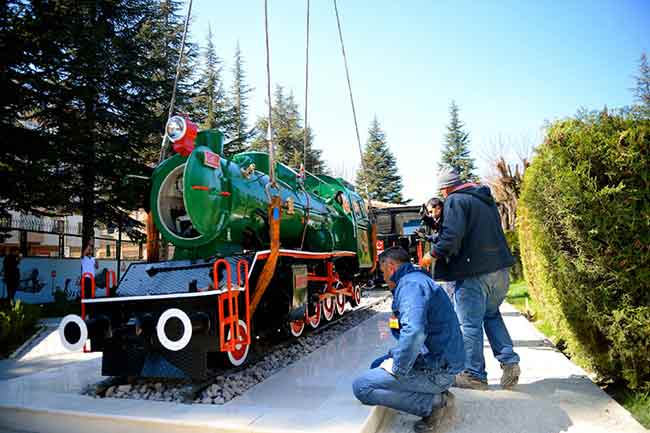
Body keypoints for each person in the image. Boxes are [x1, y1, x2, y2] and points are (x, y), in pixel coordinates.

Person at [352, 247, 464, 433]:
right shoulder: (417, 280)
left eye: (383, 272)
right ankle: (431, 392)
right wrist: (393, 357)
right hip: (439, 360)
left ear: (391, 267)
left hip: (437, 368)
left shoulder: (410, 286)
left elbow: (414, 332)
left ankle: (434, 403)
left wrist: (398, 368)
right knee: (376, 365)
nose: (384, 278)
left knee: (362, 386)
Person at [428, 167, 520, 390]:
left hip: (474, 273)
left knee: (469, 324)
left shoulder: (455, 200)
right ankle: (509, 361)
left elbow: (452, 237)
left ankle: (474, 375)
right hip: (500, 270)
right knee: (491, 315)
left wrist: (431, 254)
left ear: (445, 188)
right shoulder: (484, 200)